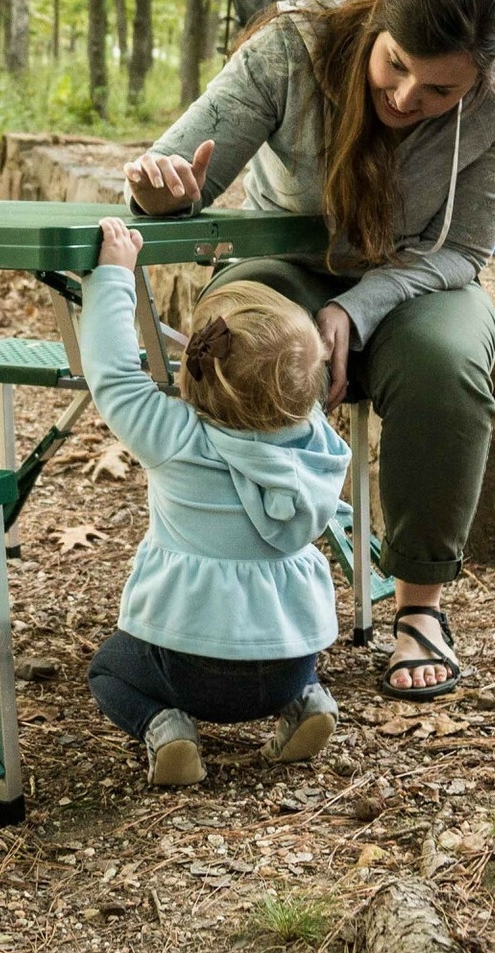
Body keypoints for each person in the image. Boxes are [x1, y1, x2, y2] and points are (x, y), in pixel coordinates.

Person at [122, 0, 495, 700]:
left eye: (440, 88)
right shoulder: (294, 42)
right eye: (396, 65)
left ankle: (420, 608)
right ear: (377, 23)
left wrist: (352, 306)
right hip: (279, 259)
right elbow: (176, 177)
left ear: (483, 75)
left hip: (419, 275)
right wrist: (162, 192)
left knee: (445, 366)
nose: (409, 96)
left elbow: (465, 248)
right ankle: (223, 593)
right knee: (239, 346)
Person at [81, 218, 348, 786]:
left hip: (187, 666)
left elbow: (111, 374)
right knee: (288, 655)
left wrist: (113, 275)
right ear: (311, 389)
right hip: (287, 660)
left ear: (198, 367)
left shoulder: (174, 438)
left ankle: (165, 726)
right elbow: (285, 386)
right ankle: (306, 699)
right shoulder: (317, 446)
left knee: (107, 669)